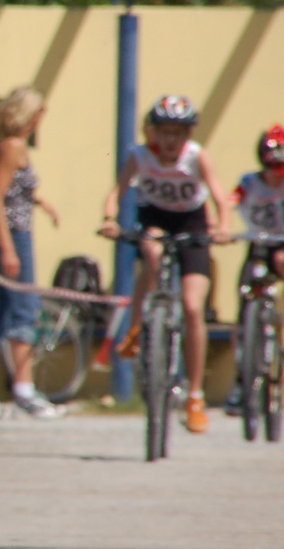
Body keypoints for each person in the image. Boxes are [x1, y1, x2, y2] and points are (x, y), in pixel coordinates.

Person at [99, 94, 232, 433]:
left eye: (179, 133)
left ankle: (195, 395)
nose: (172, 140)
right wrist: (109, 219)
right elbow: (116, 192)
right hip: (155, 217)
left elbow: (220, 198)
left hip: (192, 222)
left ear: (188, 134)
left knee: (192, 307)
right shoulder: (140, 156)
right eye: (165, 132)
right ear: (153, 132)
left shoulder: (197, 156)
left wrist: (223, 226)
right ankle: (136, 328)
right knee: (153, 254)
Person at [0, 87, 63, 420]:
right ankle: (23, 389)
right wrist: (8, 249)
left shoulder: (15, 146)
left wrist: (42, 202)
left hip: (13, 232)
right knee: (24, 309)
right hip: (12, 234)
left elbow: (18, 189)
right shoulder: (12, 147)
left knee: (2, 311)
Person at [223, 126, 284, 412]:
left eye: (283, 165)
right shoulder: (249, 182)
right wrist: (222, 227)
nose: (278, 173)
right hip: (258, 243)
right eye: (273, 165)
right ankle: (240, 380)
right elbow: (230, 202)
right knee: (243, 306)